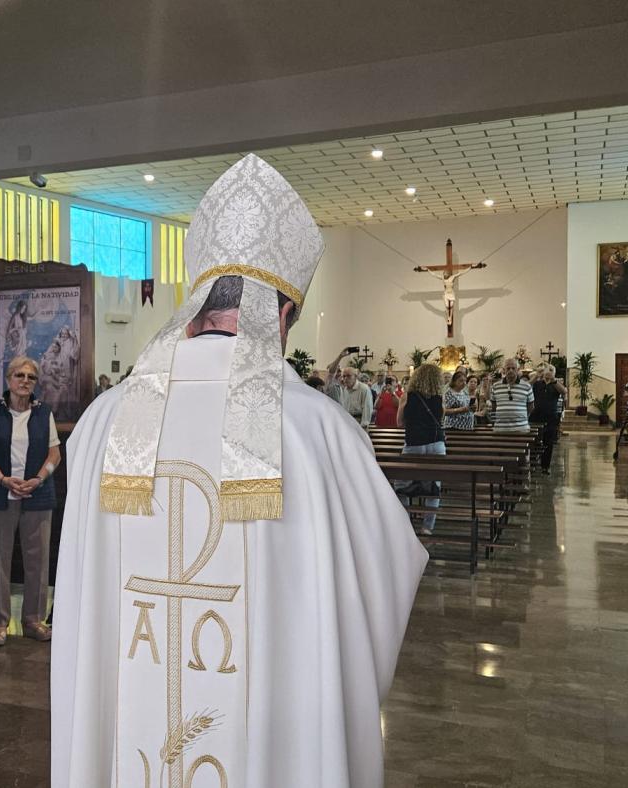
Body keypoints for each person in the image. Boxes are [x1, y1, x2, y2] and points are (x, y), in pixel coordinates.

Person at [51, 154, 426, 787]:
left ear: (196, 304)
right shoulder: (317, 430)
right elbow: (386, 573)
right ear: (281, 317)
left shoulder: (102, 421)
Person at [0, 356, 62, 647]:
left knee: (38, 560)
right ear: (8, 380)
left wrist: (37, 479)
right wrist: (2, 479)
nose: (25, 381)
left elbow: (54, 454)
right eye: (19, 375)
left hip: (37, 494)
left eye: (31, 377)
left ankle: (33, 620)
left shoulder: (43, 412)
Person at [398, 363, 447, 534]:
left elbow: (399, 422)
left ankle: (405, 525)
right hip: (436, 444)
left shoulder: (407, 396)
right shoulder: (439, 397)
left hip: (414, 442)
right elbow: (441, 419)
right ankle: (427, 527)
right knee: (434, 485)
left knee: (401, 485)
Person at [530, 366, 567, 472]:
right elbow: (527, 386)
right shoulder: (537, 384)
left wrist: (554, 380)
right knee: (534, 441)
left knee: (548, 442)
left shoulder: (556, 385)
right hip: (536, 416)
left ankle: (545, 467)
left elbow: (564, 391)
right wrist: (537, 375)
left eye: (551, 371)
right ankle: (532, 464)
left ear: (554, 374)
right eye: (548, 370)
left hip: (550, 418)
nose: (549, 373)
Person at [325, 349, 373, 424]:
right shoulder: (344, 389)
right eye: (344, 376)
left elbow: (367, 409)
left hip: (358, 423)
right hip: (346, 423)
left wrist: (363, 427)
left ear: (355, 376)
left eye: (348, 376)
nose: (345, 379)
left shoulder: (363, 388)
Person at [488, 358, 533, 433]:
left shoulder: (527, 386)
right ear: (503, 370)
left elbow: (531, 407)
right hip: (500, 428)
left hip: (521, 428)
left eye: (513, 368)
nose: (510, 370)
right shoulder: (495, 386)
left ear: (518, 369)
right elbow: (493, 407)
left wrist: (521, 416)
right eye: (508, 368)